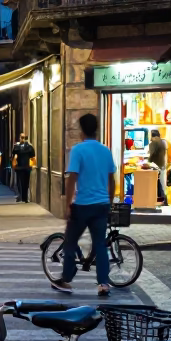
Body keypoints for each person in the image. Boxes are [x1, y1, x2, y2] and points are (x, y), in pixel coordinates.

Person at [51, 112, 116, 299]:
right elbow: (112, 180)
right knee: (100, 245)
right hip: (101, 205)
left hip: (83, 205)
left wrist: (68, 203)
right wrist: (109, 201)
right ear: (96, 129)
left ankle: (66, 280)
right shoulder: (106, 150)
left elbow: (72, 178)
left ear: (81, 130)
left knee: (70, 242)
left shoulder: (78, 150)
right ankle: (103, 284)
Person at [11, 132, 36, 203]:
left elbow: (14, 156)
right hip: (27, 167)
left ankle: (21, 196)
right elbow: (33, 157)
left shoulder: (17, 147)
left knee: (20, 182)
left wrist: (14, 165)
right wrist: (32, 166)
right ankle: (24, 198)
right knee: (26, 182)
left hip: (19, 167)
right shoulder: (30, 147)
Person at [147, 129, 169, 206]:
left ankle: (152, 201)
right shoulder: (164, 142)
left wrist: (147, 161)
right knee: (163, 184)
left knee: (153, 184)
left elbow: (151, 156)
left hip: (156, 166)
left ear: (153, 136)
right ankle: (165, 200)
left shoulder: (153, 143)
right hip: (163, 165)